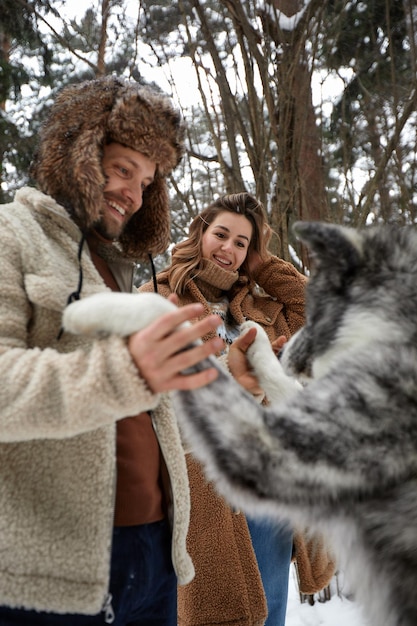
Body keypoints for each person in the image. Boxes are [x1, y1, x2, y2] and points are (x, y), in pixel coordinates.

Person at [0, 75, 225, 626]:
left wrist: (199, 378)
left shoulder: (120, 269)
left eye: (147, 182)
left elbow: (142, 406)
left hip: (158, 560)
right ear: (78, 150)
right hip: (52, 581)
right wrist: (128, 369)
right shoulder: (11, 234)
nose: (134, 192)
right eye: (124, 169)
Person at [139, 192, 330, 626]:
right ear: (200, 233)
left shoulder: (264, 308)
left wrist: (264, 266)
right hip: (201, 496)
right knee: (213, 614)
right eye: (221, 234)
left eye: (242, 243)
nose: (228, 249)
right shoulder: (157, 298)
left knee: (270, 614)